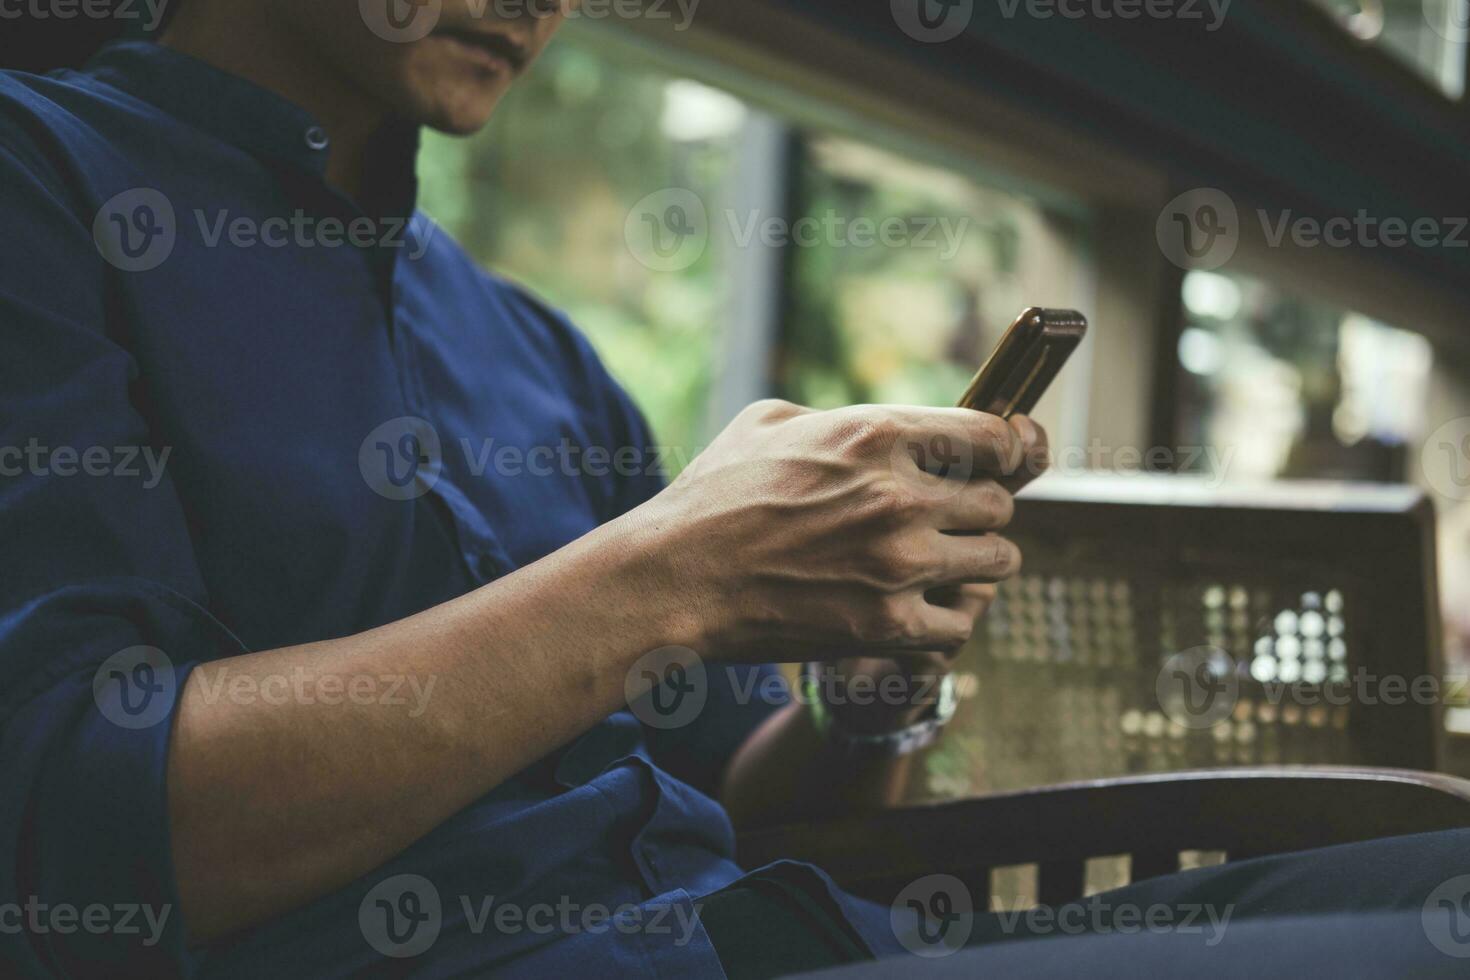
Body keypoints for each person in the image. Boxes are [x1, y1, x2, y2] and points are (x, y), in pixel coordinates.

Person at [0, 3, 1463, 977]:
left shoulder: (529, 347)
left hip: (801, 929)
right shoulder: (42, 181)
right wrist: (674, 571)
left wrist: (863, 680)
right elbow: (69, 825)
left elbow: (744, 809)